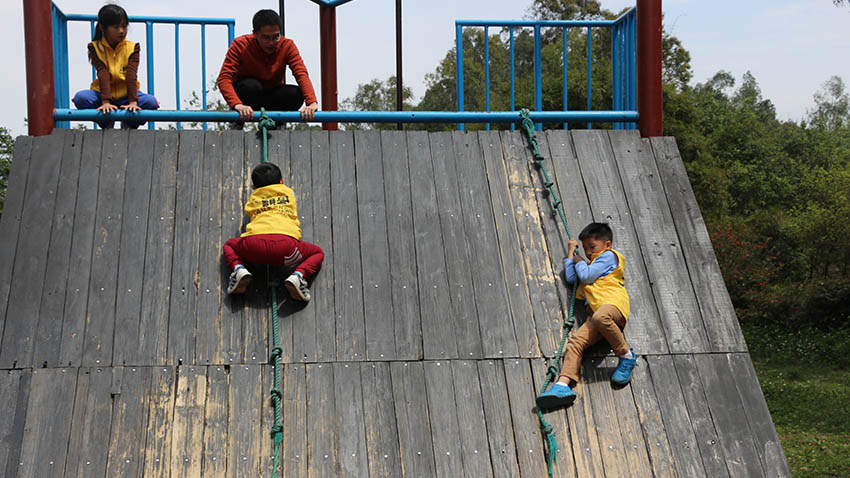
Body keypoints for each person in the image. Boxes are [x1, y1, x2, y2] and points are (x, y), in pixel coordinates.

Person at [536, 222, 636, 409]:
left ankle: (626, 355)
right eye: (585, 248)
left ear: (607, 244)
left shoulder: (609, 257)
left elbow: (586, 276)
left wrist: (579, 260)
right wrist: (571, 254)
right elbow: (572, 278)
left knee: (600, 317)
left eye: (592, 247)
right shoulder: (589, 266)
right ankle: (562, 385)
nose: (589, 252)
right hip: (598, 315)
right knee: (575, 342)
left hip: (613, 305)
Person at [223, 163, 324, 302]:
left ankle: (239, 269)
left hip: (254, 250)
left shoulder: (253, 198)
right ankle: (299, 275)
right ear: (282, 182)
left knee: (229, 245)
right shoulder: (289, 193)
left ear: (254, 188)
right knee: (317, 253)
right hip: (286, 250)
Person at [217, 9, 319, 128]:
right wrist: (237, 105)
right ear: (254, 34)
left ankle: (277, 122)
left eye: (276, 37)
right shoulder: (240, 45)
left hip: (272, 97)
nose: (271, 43)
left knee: (295, 94)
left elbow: (301, 73)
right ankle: (237, 123)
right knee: (251, 86)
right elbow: (224, 78)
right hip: (248, 98)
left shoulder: (287, 45)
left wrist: (312, 102)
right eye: (266, 38)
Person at [72, 4, 159, 129]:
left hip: (127, 95)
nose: (121, 31)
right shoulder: (95, 47)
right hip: (102, 93)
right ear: (103, 27)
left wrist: (133, 102)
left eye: (124, 26)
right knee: (81, 98)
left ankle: (129, 122)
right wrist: (105, 102)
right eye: (116, 27)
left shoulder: (132, 48)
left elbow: (131, 75)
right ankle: (106, 121)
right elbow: (103, 73)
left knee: (151, 102)